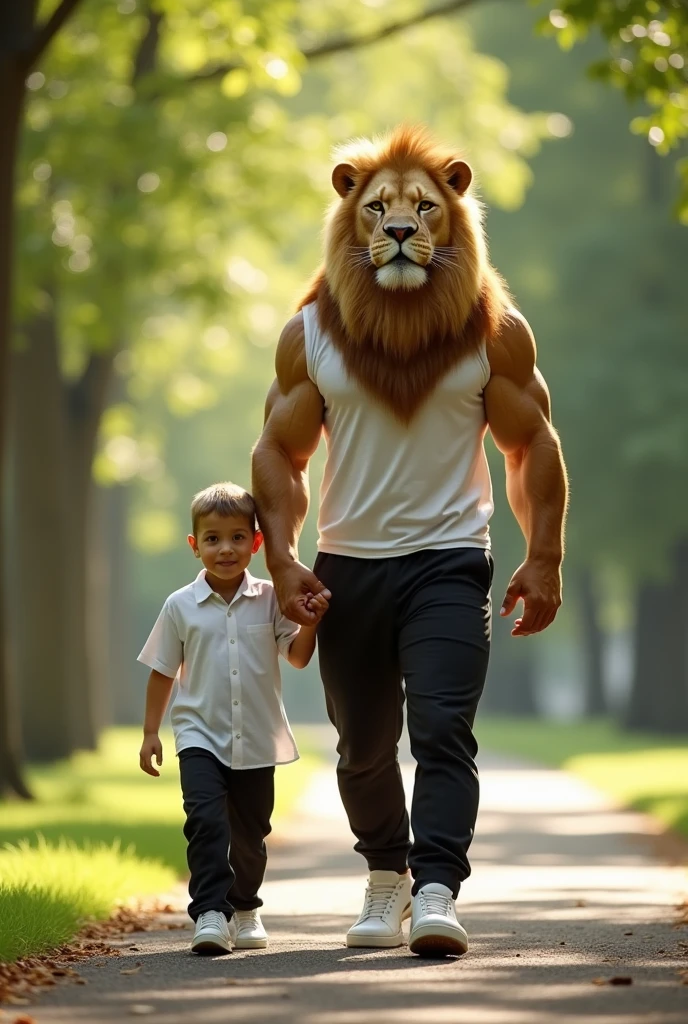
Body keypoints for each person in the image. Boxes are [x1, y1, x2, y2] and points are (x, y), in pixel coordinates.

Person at [252, 125, 568, 957]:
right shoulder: (310, 334)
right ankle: (385, 874)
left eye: (423, 209)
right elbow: (279, 455)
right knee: (360, 747)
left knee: (441, 728)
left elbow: (532, 444)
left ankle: (435, 888)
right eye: (379, 208)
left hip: (450, 562)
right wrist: (282, 563)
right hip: (348, 564)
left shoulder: (495, 330)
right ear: (349, 215)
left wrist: (544, 557)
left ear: (454, 214)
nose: (398, 224)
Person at [137, 481, 328, 954]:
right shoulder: (179, 606)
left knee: (251, 832)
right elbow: (162, 672)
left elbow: (298, 657)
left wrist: (312, 621)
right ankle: (209, 913)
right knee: (204, 820)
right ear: (194, 545)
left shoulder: (270, 597)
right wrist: (149, 732)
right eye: (214, 538)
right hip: (198, 733)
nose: (226, 548)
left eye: (238, 537)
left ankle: (244, 910)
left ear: (256, 542)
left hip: (257, 736)